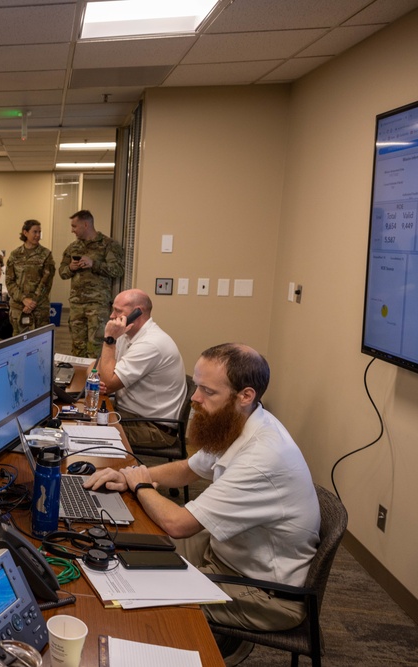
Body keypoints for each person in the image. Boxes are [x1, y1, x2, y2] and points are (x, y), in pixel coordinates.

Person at [84, 343, 320, 665]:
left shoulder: (262, 457)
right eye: (196, 386)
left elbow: (178, 524)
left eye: (207, 391)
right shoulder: (240, 422)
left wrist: (139, 483)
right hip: (226, 554)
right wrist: (130, 475)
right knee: (123, 553)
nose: (194, 398)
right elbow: (188, 469)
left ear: (245, 396)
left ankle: (211, 647)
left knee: (138, 594)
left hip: (262, 592)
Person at [96, 289, 187, 448]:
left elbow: (107, 383)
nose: (111, 316)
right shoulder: (127, 335)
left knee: (90, 428)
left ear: (138, 312)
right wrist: (101, 376)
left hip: (153, 428)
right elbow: (99, 368)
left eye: (118, 311)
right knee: (83, 417)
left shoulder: (150, 344)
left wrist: (109, 340)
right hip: (131, 414)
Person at [58, 210, 124, 358]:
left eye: (74, 226)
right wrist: (70, 268)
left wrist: (94, 264)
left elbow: (118, 270)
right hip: (76, 305)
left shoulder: (108, 245)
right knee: (77, 347)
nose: (72, 230)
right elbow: (62, 272)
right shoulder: (72, 247)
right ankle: (80, 379)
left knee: (97, 347)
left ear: (86, 224)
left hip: (97, 306)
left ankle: (96, 379)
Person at [5, 219, 55, 335]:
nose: (38, 235)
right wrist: (23, 299)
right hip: (18, 307)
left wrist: (32, 302)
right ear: (25, 233)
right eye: (35, 232)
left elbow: (46, 282)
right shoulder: (15, 254)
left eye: (39, 232)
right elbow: (9, 281)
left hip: (38, 308)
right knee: (18, 343)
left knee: (39, 343)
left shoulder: (46, 254)